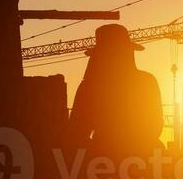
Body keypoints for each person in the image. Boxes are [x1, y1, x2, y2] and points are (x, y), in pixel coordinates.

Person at [68, 23, 164, 160]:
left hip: (102, 158)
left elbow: (77, 131)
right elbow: (155, 126)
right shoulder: (147, 81)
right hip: (142, 156)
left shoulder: (89, 86)